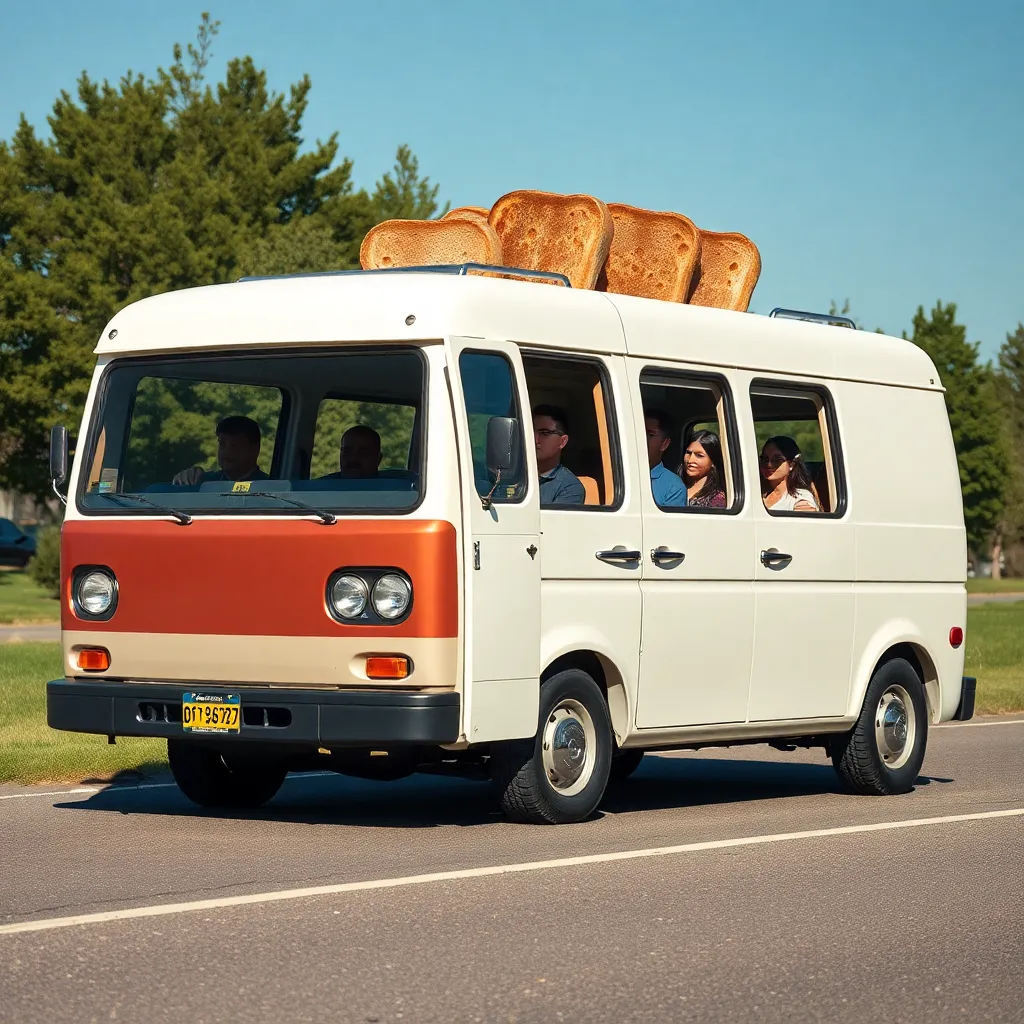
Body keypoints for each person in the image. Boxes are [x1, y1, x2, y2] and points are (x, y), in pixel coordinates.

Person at [172, 416, 269, 485]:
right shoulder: (204, 482)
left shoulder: (270, 486)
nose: (227, 451)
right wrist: (186, 477)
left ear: (255, 449)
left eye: (235, 445)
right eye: (222, 444)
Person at [533, 405, 585, 505]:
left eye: (544, 433)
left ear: (562, 442)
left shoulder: (570, 488)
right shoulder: (509, 475)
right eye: (531, 431)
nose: (535, 439)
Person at [760, 435, 820, 512]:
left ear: (792, 464)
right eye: (765, 459)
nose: (769, 464)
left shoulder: (801, 499)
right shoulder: (755, 494)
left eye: (777, 459)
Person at [644, 408, 687, 508]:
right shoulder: (614, 473)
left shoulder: (674, 487)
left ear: (665, 444)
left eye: (650, 434)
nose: (642, 439)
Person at [680, 429, 727, 508]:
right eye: (688, 453)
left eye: (699, 455)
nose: (690, 460)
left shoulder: (717, 499)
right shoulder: (674, 485)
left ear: (713, 462)